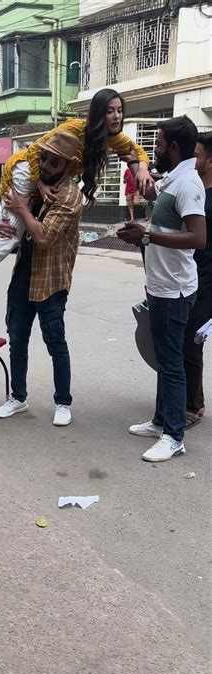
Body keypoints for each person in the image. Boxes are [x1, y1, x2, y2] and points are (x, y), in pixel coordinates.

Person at [0, 88, 152, 309]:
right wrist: (40, 183)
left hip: (37, 183)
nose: (116, 116)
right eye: (109, 111)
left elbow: (137, 150)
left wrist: (141, 169)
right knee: (11, 234)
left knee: (7, 230)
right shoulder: (75, 128)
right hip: (27, 170)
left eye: (120, 111)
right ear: (97, 113)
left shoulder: (112, 139)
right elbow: (35, 151)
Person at [117, 116, 206, 462]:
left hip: (175, 290)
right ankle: (160, 422)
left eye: (158, 144)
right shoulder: (172, 179)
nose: (154, 149)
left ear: (174, 147)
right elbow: (156, 204)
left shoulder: (189, 184)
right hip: (160, 285)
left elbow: (198, 237)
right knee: (163, 359)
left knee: (171, 363)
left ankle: (174, 436)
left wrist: (148, 236)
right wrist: (136, 166)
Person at [0, 133, 83, 426]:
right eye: (43, 158)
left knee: (55, 342)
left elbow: (43, 237)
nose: (45, 165)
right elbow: (15, 224)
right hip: (23, 275)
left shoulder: (70, 196)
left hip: (50, 282)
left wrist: (21, 208)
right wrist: (2, 224)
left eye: (53, 162)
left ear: (67, 166)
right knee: (17, 340)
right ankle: (18, 397)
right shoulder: (34, 185)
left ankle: (63, 402)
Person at [183, 131, 212, 427]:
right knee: (187, 342)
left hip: (208, 284)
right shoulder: (196, 192)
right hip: (190, 278)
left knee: (191, 342)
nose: (193, 161)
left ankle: (192, 407)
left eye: (197, 156)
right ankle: (194, 400)